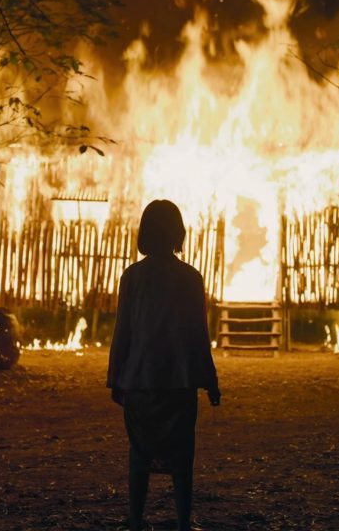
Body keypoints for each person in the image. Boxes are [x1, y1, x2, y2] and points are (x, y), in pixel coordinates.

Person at [107, 199, 221, 531]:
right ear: (177, 233)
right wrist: (210, 381)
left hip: (140, 380)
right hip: (179, 381)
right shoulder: (190, 278)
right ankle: (184, 522)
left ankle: (136, 520)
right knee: (182, 454)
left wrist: (116, 378)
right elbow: (199, 335)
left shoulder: (132, 277)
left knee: (139, 453)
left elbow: (123, 331)